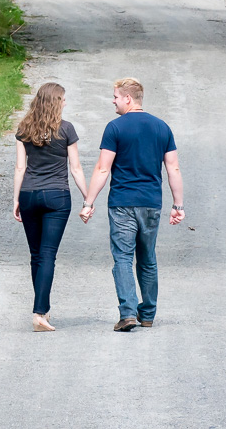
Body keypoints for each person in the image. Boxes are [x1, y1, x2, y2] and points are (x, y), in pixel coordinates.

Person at [79, 77, 183, 332]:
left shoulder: (115, 128)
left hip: (122, 203)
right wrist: (178, 205)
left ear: (128, 98)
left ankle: (127, 313)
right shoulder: (162, 128)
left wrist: (88, 202)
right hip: (151, 204)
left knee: (123, 258)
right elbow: (173, 168)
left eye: (115, 97)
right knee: (147, 257)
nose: (113, 101)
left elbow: (103, 168)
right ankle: (147, 314)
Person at [13, 81, 88, 332]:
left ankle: (41, 309)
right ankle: (39, 313)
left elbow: (20, 167)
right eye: (63, 99)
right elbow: (75, 168)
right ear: (56, 102)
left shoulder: (24, 129)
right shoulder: (66, 129)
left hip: (29, 195)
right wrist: (88, 198)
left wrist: (16, 199)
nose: (66, 102)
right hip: (57, 197)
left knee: (36, 255)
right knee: (47, 254)